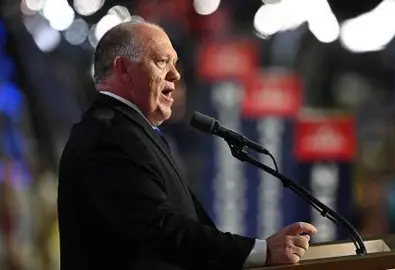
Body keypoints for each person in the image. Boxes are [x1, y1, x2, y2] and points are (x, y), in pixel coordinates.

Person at [57, 21, 318, 270]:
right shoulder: (109, 135)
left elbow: (185, 223)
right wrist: (261, 251)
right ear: (123, 69)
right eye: (162, 62)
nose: (176, 74)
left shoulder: (134, 131)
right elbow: (161, 229)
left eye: (175, 63)